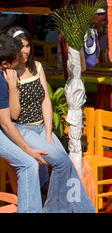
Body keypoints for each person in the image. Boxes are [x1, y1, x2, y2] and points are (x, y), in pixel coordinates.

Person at [6, 27, 94, 213]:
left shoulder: (36, 66)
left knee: (67, 164)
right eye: (21, 47)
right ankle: (54, 209)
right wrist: (13, 87)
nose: (25, 51)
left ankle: (84, 210)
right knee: (62, 161)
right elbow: (13, 115)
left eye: (28, 46)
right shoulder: (10, 72)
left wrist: (48, 133)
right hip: (23, 129)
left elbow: (46, 100)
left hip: (41, 128)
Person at [0, 34, 48, 213]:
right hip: (3, 128)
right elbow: (7, 123)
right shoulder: (1, 80)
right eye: (15, 60)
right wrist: (28, 149)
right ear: (5, 64)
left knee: (30, 161)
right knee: (28, 163)